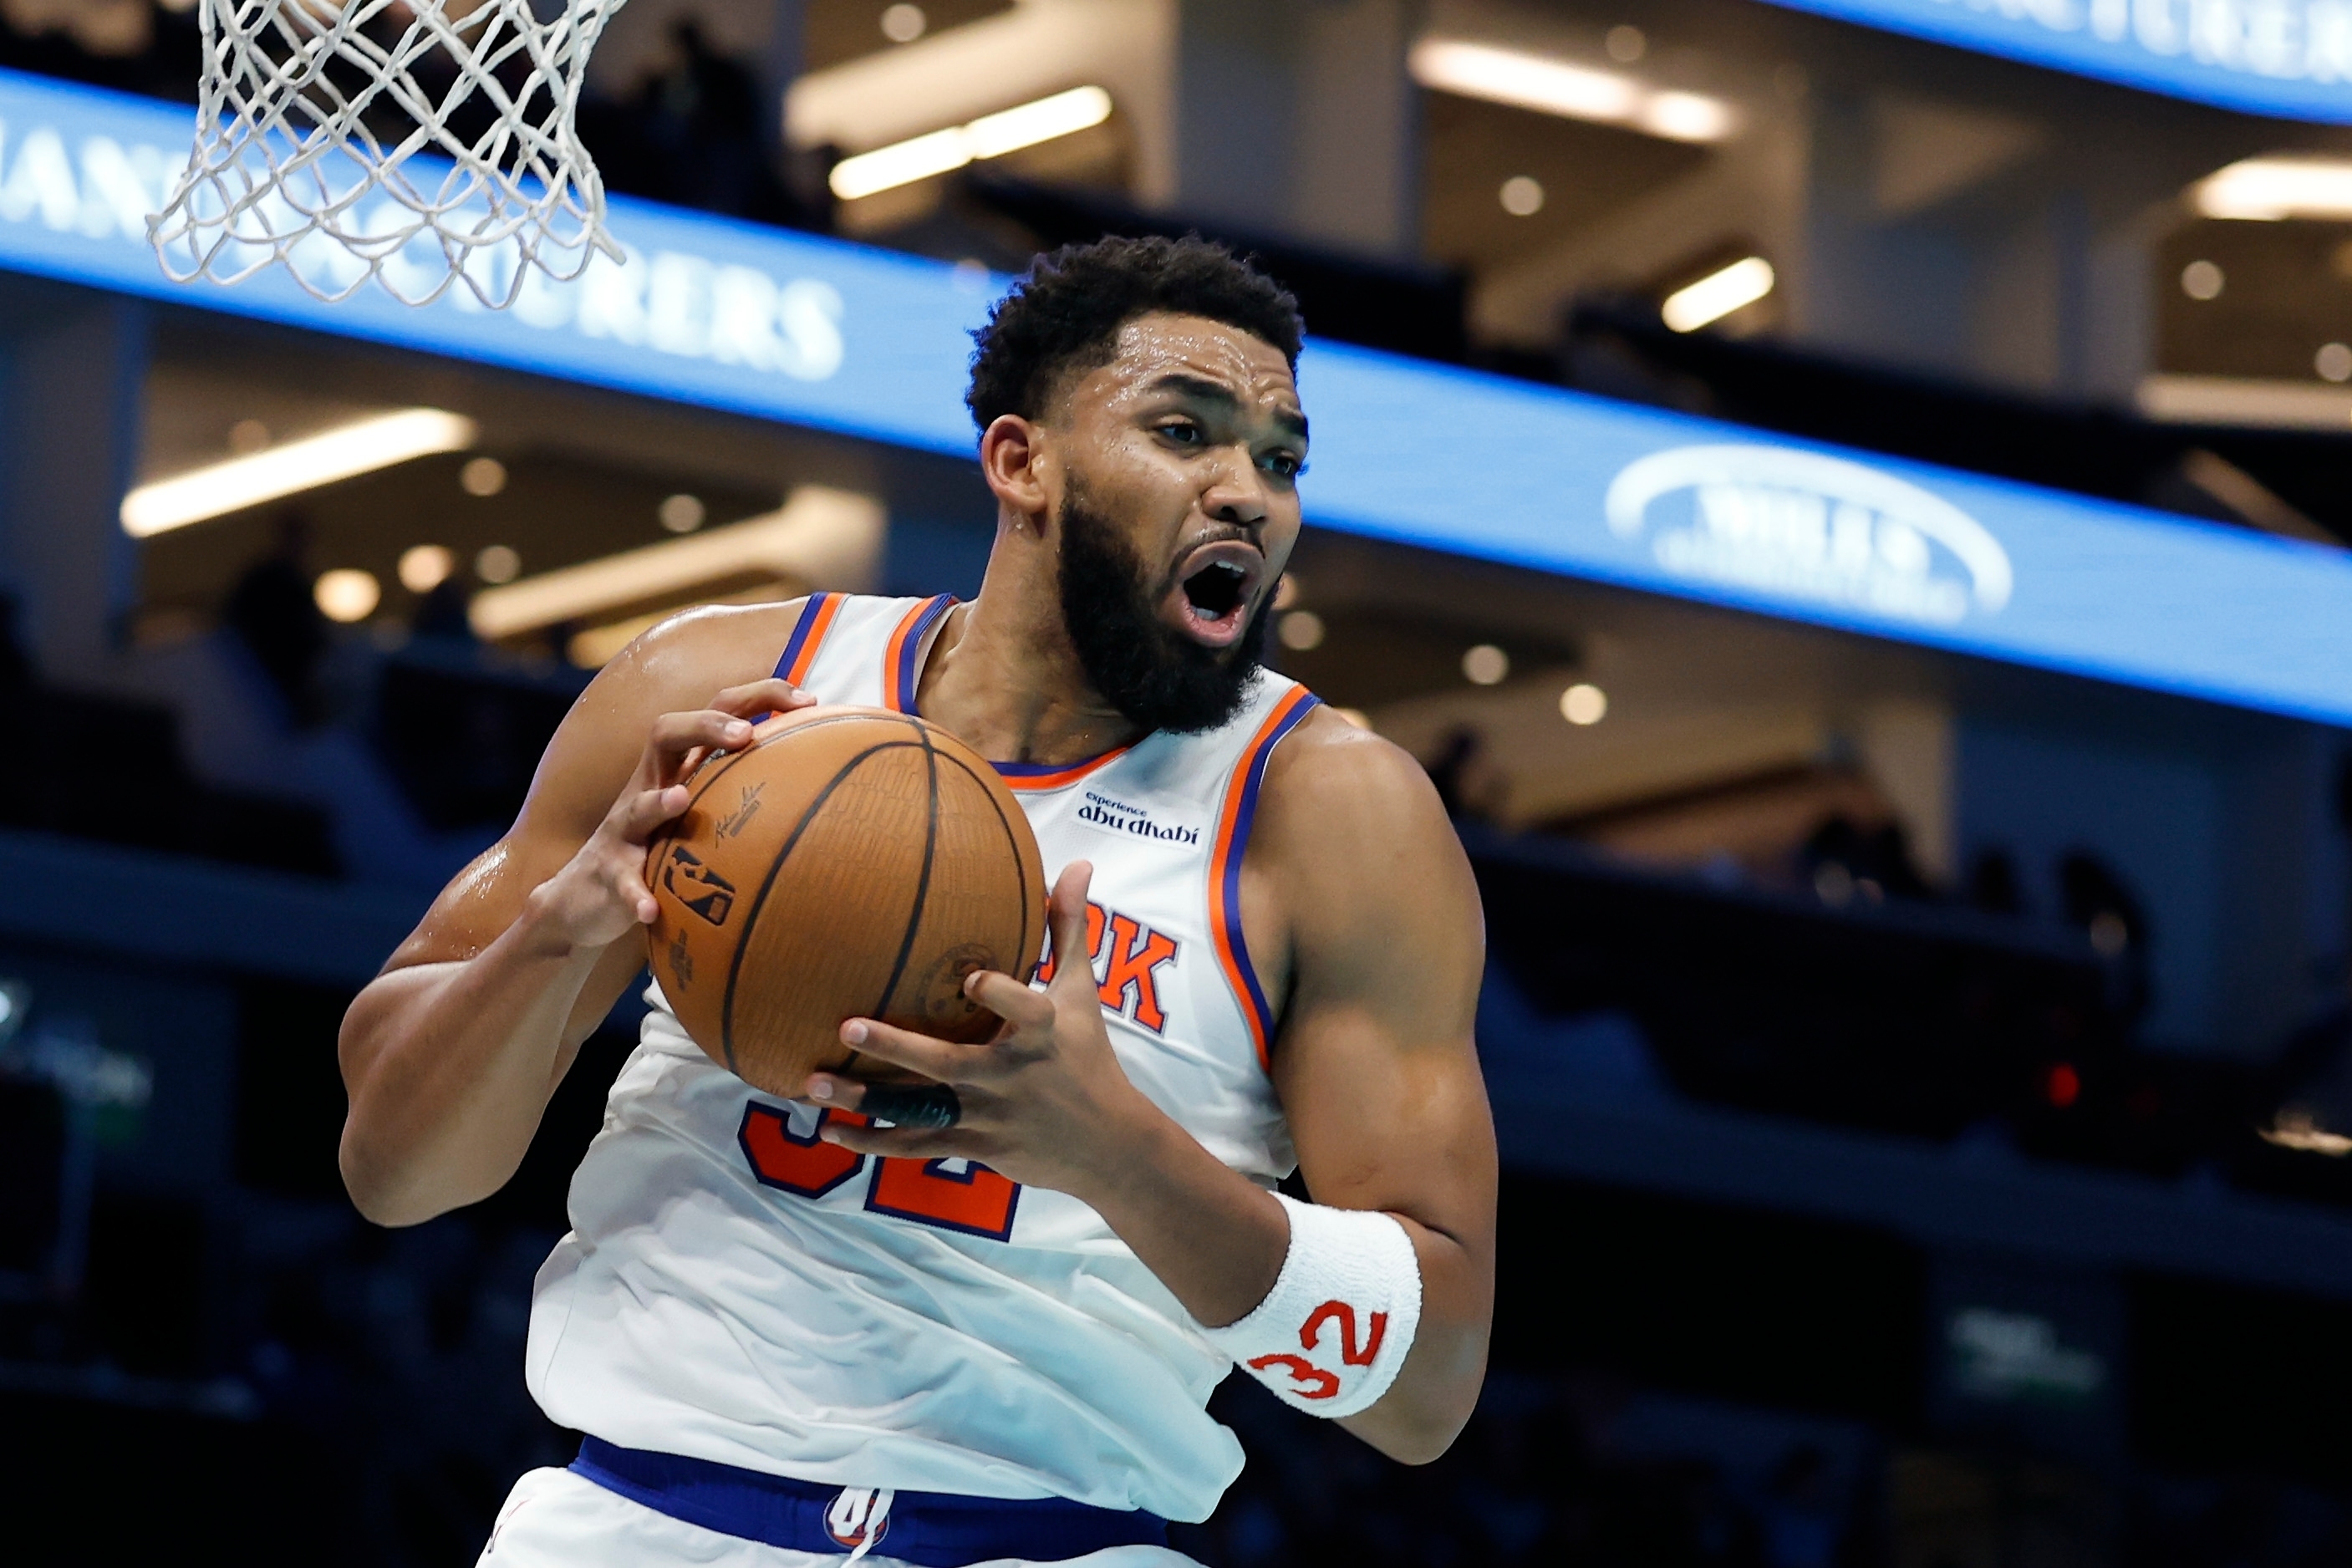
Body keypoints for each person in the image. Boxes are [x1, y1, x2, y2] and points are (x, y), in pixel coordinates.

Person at [337, 236, 1495, 1568]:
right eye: (1186, 432)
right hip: (637, 1524)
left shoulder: (1334, 814)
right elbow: (392, 1169)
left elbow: (1428, 1387)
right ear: (1021, 462)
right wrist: (564, 927)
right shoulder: (725, 689)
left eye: (1280, 460)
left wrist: (1113, 1151)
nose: (1246, 493)